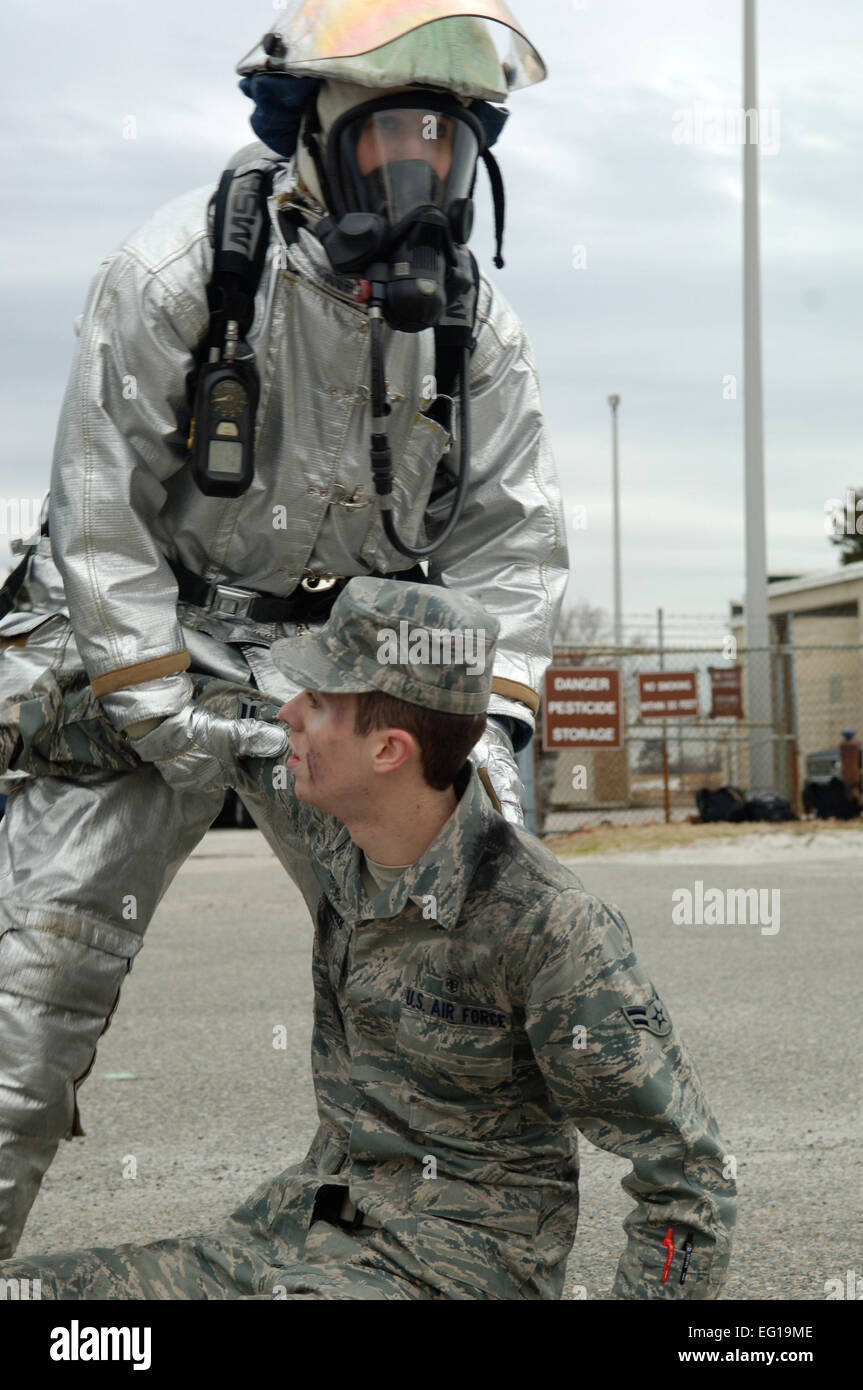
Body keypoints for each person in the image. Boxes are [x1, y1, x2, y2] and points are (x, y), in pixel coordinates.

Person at [0, 1, 568, 1257]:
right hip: (142, 639)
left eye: (445, 139)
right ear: (312, 134)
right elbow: (100, 525)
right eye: (388, 137)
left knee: (459, 976)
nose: (419, 170)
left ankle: (425, 1265)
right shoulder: (174, 277)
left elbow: (510, 550)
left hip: (350, 670)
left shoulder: (476, 334)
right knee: (29, 1005)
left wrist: (472, 738)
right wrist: (180, 726)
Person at [0, 579, 736, 1300]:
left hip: (452, 1268)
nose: (286, 713)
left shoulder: (547, 927)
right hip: (299, 1230)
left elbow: (686, 1178)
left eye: (315, 703)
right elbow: (170, 721)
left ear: (387, 751)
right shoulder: (322, 808)